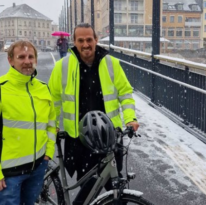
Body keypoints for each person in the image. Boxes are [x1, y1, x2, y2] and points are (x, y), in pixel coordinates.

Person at [48, 23, 139, 204]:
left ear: (96, 40)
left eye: (89, 39)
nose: (85, 44)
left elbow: (125, 94)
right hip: (80, 139)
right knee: (88, 191)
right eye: (80, 40)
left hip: (109, 136)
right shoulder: (62, 66)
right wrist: (53, 126)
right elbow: (53, 101)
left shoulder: (111, 63)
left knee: (115, 190)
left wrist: (130, 119)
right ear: (74, 42)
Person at [0, 40, 56, 205]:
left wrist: (48, 152)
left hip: (37, 168)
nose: (27, 61)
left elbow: (51, 123)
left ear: (36, 60)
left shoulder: (43, 88)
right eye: (21, 57)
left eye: (30, 56)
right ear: (10, 60)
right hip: (8, 174)